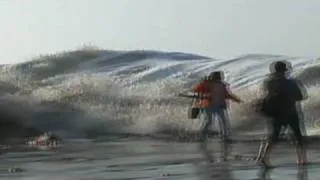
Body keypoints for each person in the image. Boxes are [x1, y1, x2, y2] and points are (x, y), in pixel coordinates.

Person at [256, 60, 308, 167]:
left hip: (275, 113)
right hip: (291, 112)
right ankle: (302, 159)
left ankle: (265, 157)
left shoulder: (268, 82)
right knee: (298, 136)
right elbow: (301, 97)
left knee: (274, 136)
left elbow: (264, 95)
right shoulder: (291, 82)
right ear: (285, 70)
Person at [193, 71, 242, 141]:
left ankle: (224, 136)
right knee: (210, 121)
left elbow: (227, 94)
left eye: (218, 77)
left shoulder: (223, 85)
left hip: (220, 105)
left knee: (223, 121)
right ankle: (202, 135)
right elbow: (196, 90)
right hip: (209, 105)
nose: (218, 78)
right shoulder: (206, 84)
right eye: (217, 77)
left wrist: (236, 99)